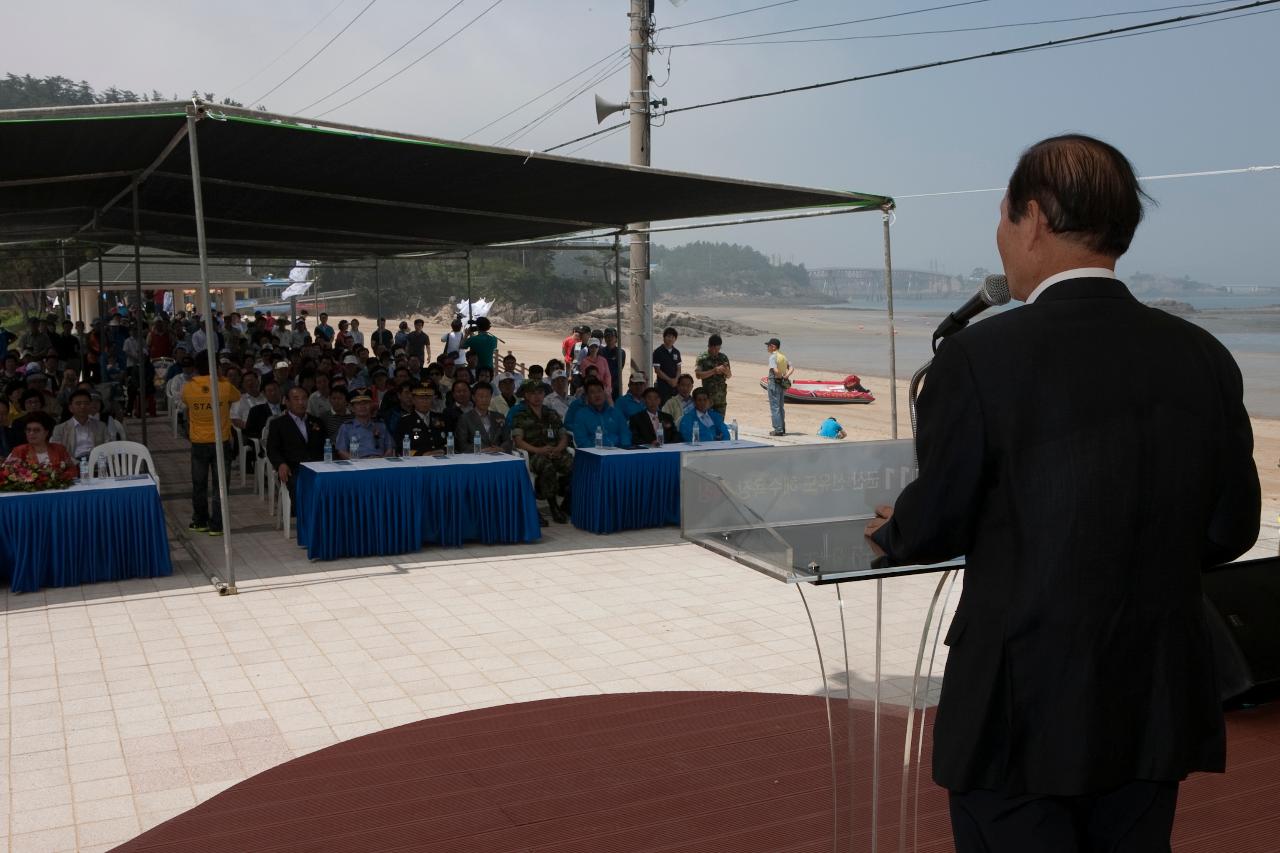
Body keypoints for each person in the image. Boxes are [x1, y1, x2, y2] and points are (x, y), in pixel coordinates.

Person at [864, 134, 1261, 853]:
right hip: (1151, 699)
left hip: (1021, 709)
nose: (1002, 240)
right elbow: (1231, 526)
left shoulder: (980, 358)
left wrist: (898, 526)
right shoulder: (1203, 356)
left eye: (1004, 221)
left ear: (1036, 218)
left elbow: (938, 519)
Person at [182, 362, 240, 535]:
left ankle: (200, 521)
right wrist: (221, 379)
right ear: (216, 368)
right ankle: (217, 525)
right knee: (220, 485)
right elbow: (237, 397)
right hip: (220, 443)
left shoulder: (188, 387)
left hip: (198, 443)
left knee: (199, 484)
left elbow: (184, 401)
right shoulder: (225, 386)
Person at [511, 380, 572, 523]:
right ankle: (552, 505)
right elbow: (518, 441)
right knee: (547, 467)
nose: (537, 397)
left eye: (540, 393)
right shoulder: (521, 415)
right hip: (533, 454)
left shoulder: (551, 413)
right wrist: (539, 450)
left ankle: (567, 503)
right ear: (526, 395)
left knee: (575, 464)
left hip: (554, 451)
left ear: (544, 394)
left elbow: (564, 435)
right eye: (532, 393)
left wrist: (558, 449)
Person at [266, 386, 328, 509]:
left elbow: (326, 445)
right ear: (287, 402)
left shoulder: (317, 422)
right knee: (300, 484)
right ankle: (305, 517)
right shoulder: (278, 424)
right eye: (296, 399)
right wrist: (281, 464)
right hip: (294, 468)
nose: (301, 402)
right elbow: (272, 449)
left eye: (304, 398)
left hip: (318, 466)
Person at [571, 380, 631, 449]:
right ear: (587, 396)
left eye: (599, 391)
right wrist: (598, 451)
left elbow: (625, 434)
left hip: (618, 452)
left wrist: (624, 449)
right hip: (594, 454)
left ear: (604, 393)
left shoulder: (616, 413)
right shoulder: (581, 415)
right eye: (592, 392)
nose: (597, 395)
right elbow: (582, 441)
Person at [51, 389, 107, 460]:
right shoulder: (60, 429)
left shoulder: (101, 426)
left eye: (86, 403)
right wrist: (76, 464)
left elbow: (108, 448)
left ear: (90, 406)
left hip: (96, 463)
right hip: (72, 465)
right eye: (78, 403)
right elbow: (58, 452)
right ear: (71, 408)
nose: (83, 406)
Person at [394, 384, 450, 456]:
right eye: (421, 398)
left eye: (428, 398)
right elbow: (400, 447)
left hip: (441, 459)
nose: (425, 401)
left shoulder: (441, 418)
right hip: (417, 461)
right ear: (413, 400)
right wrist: (422, 454)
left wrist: (443, 451)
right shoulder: (405, 421)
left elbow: (450, 440)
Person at [334, 389, 391, 459]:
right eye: (358, 404)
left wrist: (383, 461)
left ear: (371, 405)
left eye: (366, 403)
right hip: (358, 464)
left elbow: (390, 448)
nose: (362, 406)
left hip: (380, 463)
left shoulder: (381, 425)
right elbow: (341, 451)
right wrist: (358, 462)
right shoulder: (346, 427)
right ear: (352, 408)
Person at [455, 382, 511, 452]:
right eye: (481, 396)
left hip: (498, 455)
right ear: (473, 398)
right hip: (477, 457)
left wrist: (501, 449)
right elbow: (462, 445)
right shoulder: (465, 418)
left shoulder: (499, 416)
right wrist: (481, 450)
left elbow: (507, 440)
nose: (484, 400)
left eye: (487, 396)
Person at [5, 411, 71, 468]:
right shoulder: (19, 451)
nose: (31, 433)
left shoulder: (59, 449)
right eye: (28, 430)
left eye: (36, 430)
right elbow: (10, 473)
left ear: (46, 432)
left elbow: (71, 471)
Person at [695, 334, 732, 416]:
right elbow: (698, 375)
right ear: (709, 346)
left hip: (721, 399)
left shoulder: (723, 357)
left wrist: (726, 371)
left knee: (719, 425)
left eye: (718, 349)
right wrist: (714, 371)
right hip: (707, 399)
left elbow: (729, 375)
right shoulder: (702, 358)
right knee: (707, 424)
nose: (716, 351)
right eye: (714, 348)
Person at [765, 337, 793, 437]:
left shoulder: (773, 357)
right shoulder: (783, 357)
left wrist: (779, 377)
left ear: (773, 347)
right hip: (782, 384)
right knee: (781, 407)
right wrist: (786, 376)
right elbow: (792, 368)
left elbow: (775, 371)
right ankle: (783, 427)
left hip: (774, 383)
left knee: (775, 407)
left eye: (768, 346)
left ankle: (778, 429)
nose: (767, 347)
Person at [244, 378, 284, 442]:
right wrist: (264, 437)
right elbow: (249, 432)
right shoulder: (256, 410)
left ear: (280, 391)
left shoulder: (288, 408)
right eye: (270, 391)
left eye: (275, 389)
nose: (273, 393)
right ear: (264, 394)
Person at [652, 326, 682, 404]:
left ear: (675, 339)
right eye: (668, 336)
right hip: (662, 386)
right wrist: (669, 380)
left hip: (675, 386)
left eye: (673, 337)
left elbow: (679, 369)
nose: (670, 339)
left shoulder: (676, 352)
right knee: (664, 407)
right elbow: (657, 370)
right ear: (664, 338)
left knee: (675, 407)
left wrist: (676, 379)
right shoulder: (658, 352)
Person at [600, 328, 625, 401]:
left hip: (615, 384)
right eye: (607, 336)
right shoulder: (600, 351)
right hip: (602, 385)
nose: (609, 338)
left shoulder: (620, 352)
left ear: (616, 339)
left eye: (612, 336)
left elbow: (619, 369)